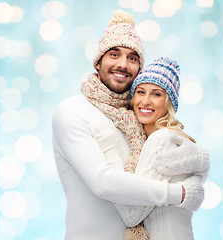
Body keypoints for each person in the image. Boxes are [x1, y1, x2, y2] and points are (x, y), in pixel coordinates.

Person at [52, 10, 206, 240]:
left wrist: (198, 166)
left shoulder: (138, 117)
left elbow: (164, 163)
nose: (123, 64)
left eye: (132, 58)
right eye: (114, 54)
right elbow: (102, 182)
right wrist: (181, 193)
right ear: (98, 61)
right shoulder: (72, 111)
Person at [87, 57, 209, 240]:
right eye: (140, 92)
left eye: (156, 94)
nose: (145, 101)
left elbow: (131, 215)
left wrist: (109, 150)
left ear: (169, 102)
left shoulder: (161, 140)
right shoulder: (174, 139)